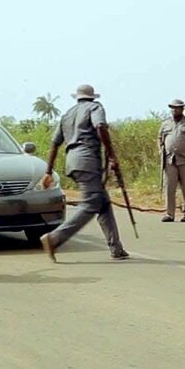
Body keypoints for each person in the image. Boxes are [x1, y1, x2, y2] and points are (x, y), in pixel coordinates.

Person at [39, 84, 129, 262]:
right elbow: (101, 127)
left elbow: (55, 143)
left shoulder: (68, 114)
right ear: (92, 97)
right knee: (91, 204)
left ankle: (116, 248)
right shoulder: (95, 107)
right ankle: (55, 238)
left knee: (102, 203)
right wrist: (112, 156)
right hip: (87, 160)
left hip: (72, 161)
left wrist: (48, 172)